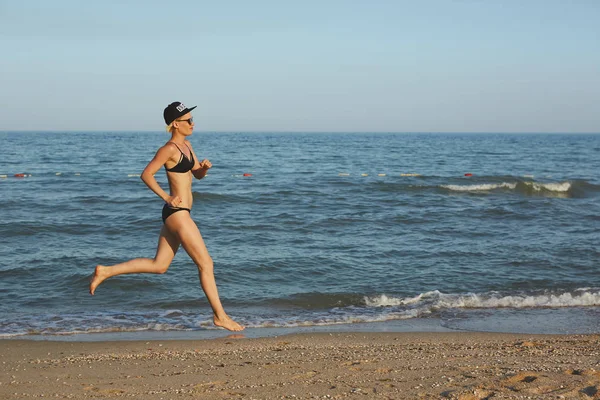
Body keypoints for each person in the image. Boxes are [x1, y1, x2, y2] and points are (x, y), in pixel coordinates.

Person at [90, 101, 244, 332]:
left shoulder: (188, 146)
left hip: (179, 213)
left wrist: (203, 169)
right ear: (175, 124)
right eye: (188, 120)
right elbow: (146, 174)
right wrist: (166, 197)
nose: (192, 123)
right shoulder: (168, 149)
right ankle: (220, 316)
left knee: (159, 265)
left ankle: (106, 271)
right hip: (177, 213)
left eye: (192, 119)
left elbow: (196, 176)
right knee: (206, 264)